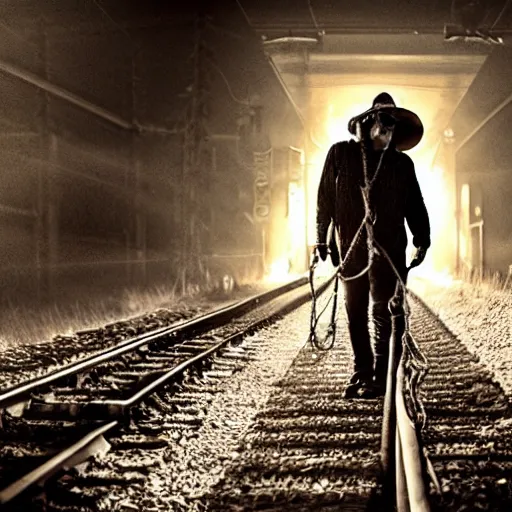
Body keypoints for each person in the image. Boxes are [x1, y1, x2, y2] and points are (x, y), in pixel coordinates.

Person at [315, 92, 431, 399]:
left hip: (389, 250)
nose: (388, 127)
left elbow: (415, 205)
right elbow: (325, 199)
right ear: (368, 123)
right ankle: (362, 372)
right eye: (383, 120)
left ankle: (381, 376)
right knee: (355, 311)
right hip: (351, 252)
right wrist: (320, 237)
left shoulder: (402, 164)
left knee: (382, 311)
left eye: (394, 122)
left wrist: (423, 240)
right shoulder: (340, 154)